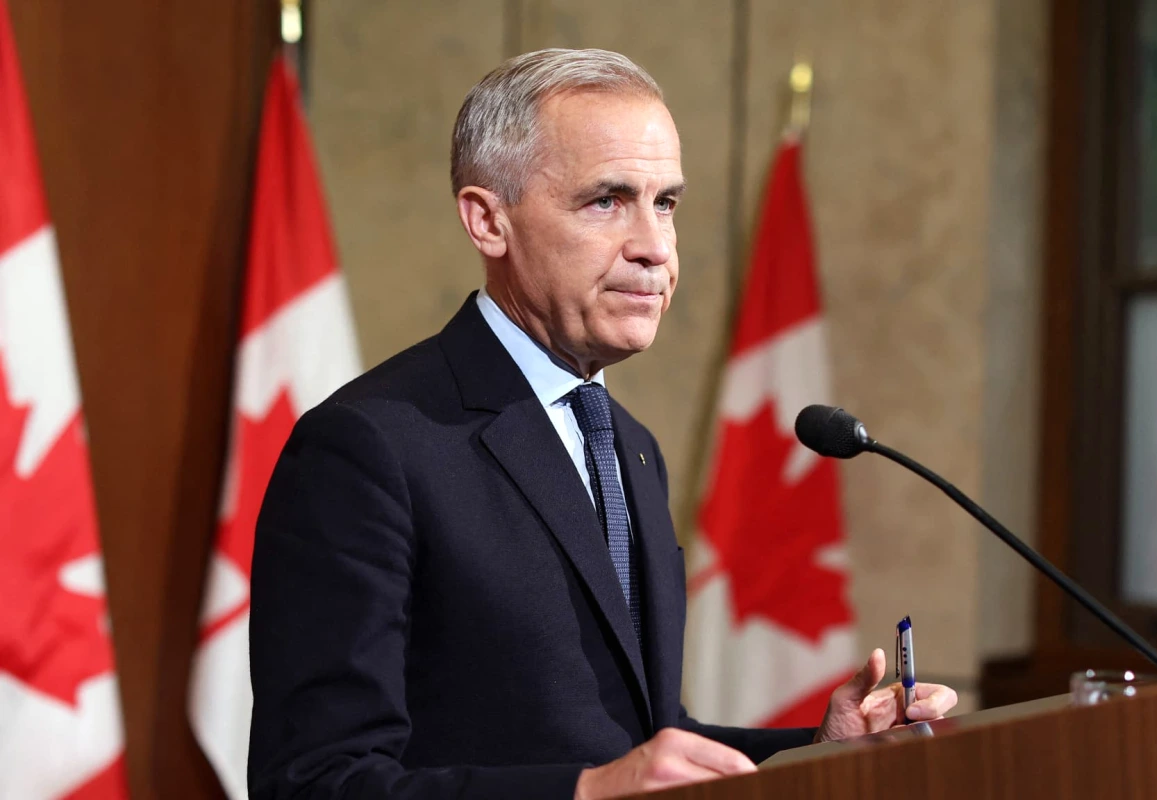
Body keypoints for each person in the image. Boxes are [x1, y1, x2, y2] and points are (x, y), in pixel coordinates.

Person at [247, 48, 957, 800]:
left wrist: (819, 749)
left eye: (667, 204)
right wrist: (581, 794)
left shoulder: (629, 447)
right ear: (488, 220)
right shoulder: (369, 447)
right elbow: (316, 782)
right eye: (607, 201)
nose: (654, 248)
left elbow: (644, 744)